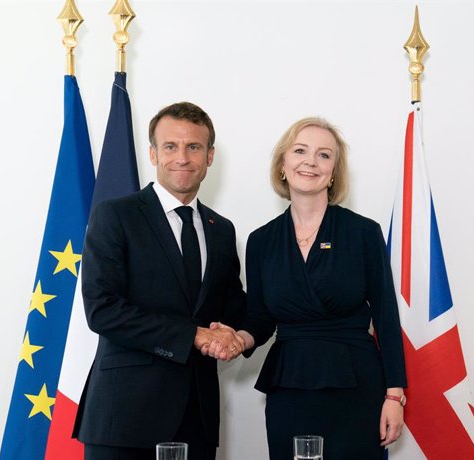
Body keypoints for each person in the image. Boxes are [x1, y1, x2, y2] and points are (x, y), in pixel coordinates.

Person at [210, 117, 407, 459]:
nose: (310, 162)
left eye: (324, 155)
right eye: (300, 150)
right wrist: (240, 338)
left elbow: (387, 317)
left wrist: (394, 395)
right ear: (283, 164)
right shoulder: (261, 241)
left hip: (356, 385)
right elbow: (260, 315)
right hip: (290, 386)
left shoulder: (363, 233)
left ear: (334, 172)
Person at [72, 102, 247, 460]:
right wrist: (195, 335)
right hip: (124, 418)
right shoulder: (115, 215)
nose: (182, 157)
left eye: (194, 147)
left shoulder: (221, 230)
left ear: (210, 156)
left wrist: (240, 336)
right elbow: (103, 310)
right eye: (170, 146)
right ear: (153, 153)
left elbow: (233, 307)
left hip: (196, 419)